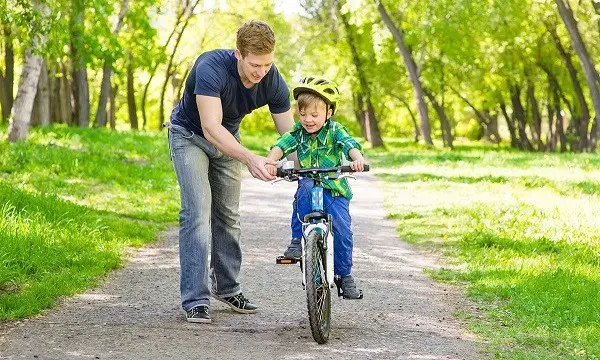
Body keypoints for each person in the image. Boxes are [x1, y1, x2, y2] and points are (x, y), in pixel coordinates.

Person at [166, 20, 296, 324]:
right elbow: (211, 127)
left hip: (227, 141)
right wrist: (251, 158)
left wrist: (298, 164)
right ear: (238, 54)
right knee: (197, 213)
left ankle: (227, 288)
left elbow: (290, 136)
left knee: (228, 215)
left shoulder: (273, 80)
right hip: (189, 136)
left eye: (267, 64)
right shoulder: (211, 66)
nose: (261, 71)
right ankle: (195, 300)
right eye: (255, 64)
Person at [265, 76, 366, 299]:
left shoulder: (335, 130)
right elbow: (281, 145)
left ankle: (344, 276)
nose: (308, 120)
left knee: (342, 230)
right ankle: (296, 242)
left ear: (328, 112)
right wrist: (272, 161)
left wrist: (357, 159)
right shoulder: (298, 133)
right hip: (309, 181)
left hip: (334, 188)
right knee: (303, 190)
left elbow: (350, 145)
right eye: (302, 114)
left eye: (314, 114)